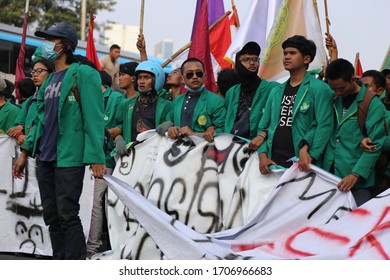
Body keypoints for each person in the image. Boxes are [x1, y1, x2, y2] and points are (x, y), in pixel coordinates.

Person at [12, 22, 106, 260]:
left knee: (68, 215)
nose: (46, 44)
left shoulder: (84, 73)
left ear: (66, 45)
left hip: (69, 157)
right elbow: (40, 121)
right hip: (45, 157)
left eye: (51, 39)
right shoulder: (49, 79)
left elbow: (94, 117)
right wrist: (25, 152)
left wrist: (96, 156)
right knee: (52, 217)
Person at [257, 35, 334, 174]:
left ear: (306, 59)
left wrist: (312, 155)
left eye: (292, 53)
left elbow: (325, 125)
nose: (286, 57)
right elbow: (263, 126)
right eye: (285, 53)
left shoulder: (319, 88)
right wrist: (262, 155)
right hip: (272, 163)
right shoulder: (276, 90)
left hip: (303, 164)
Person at [322, 58, 386, 206]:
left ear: (353, 79)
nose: (337, 92)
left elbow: (375, 144)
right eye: (334, 88)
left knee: (356, 225)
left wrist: (355, 174)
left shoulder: (372, 104)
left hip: (357, 183)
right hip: (328, 176)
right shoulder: (333, 99)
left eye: (341, 88)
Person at [86, 70, 125, 258]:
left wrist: (114, 133)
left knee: (96, 204)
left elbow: (125, 124)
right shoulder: (86, 97)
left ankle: (91, 248)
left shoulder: (116, 98)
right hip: (84, 159)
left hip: (106, 161)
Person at [224, 41, 278, 149]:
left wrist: (263, 135)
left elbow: (278, 120)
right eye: (246, 59)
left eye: (255, 59)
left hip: (261, 147)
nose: (252, 63)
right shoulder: (231, 92)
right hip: (232, 147)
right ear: (238, 64)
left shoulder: (272, 88)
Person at [113, 60, 173, 155]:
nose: (141, 81)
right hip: (130, 156)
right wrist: (118, 139)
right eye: (139, 77)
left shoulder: (167, 105)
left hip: (154, 155)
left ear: (156, 79)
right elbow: (117, 127)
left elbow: (174, 126)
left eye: (146, 77)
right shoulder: (126, 104)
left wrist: (171, 124)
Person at [163, 57, 226, 142]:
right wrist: (170, 129)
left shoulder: (216, 101)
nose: (195, 77)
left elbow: (223, 131)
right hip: (177, 151)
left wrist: (194, 134)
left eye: (199, 73)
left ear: (204, 77)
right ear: (182, 79)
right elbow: (168, 122)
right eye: (190, 74)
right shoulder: (177, 100)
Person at [7, 58, 54, 145]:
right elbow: (16, 126)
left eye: (40, 71)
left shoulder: (55, 100)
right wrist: (20, 136)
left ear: (51, 74)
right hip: (29, 151)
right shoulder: (30, 101)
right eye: (33, 71)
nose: (35, 75)